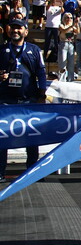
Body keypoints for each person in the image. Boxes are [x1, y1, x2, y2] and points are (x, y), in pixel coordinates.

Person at [0, 19, 47, 183]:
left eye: (19, 28)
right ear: (8, 31)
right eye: (13, 28)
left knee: (31, 137)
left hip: (29, 100)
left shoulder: (34, 50)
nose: (16, 31)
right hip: (6, 101)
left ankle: (32, 170)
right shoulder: (2, 50)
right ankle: (0, 172)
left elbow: (41, 73)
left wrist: (42, 95)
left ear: (26, 31)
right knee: (3, 137)